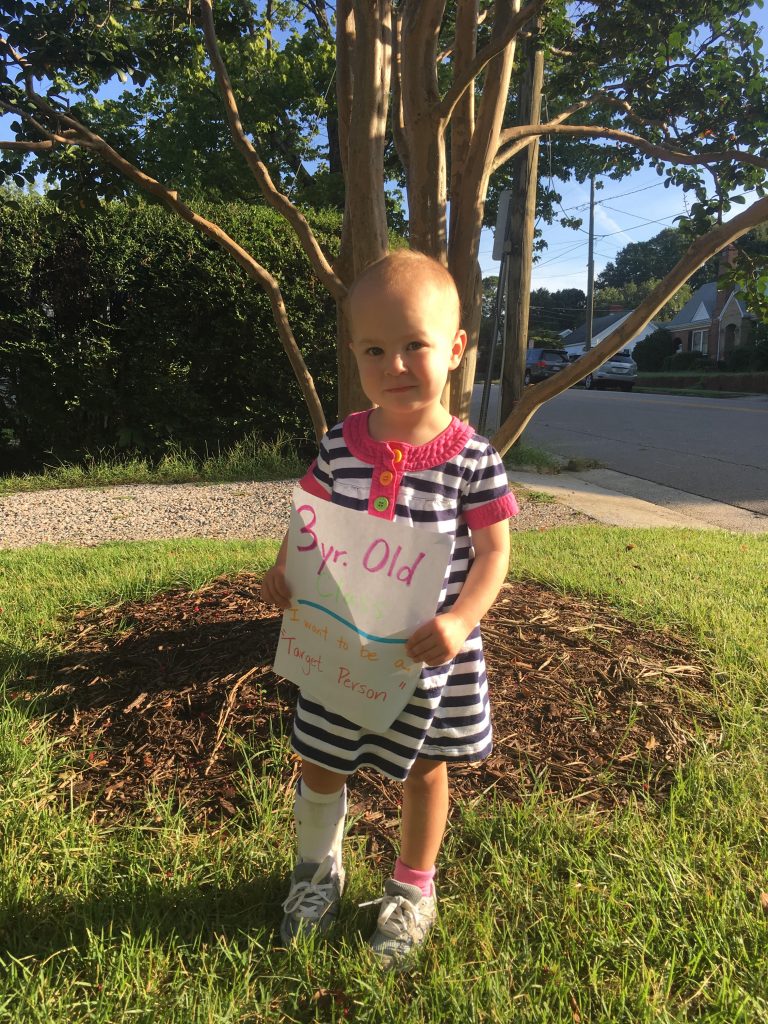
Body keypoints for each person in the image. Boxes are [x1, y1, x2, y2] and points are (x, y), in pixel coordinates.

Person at [260, 249, 519, 966]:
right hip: (340, 646)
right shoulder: (342, 443)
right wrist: (284, 567)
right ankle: (315, 875)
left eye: (415, 345)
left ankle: (412, 889)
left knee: (424, 769)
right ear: (353, 353)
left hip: (426, 657)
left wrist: (462, 620)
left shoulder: (472, 459)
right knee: (319, 760)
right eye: (375, 349)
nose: (395, 364)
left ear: (457, 349)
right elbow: (308, 509)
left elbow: (494, 552)